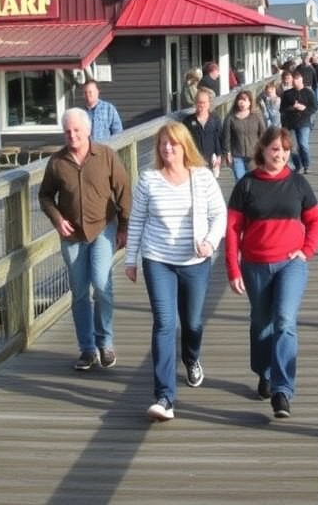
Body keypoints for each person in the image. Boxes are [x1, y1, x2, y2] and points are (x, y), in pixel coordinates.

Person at [125, 122, 227, 422]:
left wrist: (210, 241)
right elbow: (137, 221)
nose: (167, 149)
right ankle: (164, 396)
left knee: (192, 323)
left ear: (185, 147)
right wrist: (131, 260)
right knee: (164, 323)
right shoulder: (148, 179)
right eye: (163, 144)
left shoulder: (203, 177)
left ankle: (192, 358)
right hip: (158, 259)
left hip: (195, 261)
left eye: (173, 144)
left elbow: (219, 214)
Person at [225, 127, 318, 419]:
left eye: (283, 149)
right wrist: (233, 267)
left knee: (284, 320)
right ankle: (264, 373)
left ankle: (282, 391)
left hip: (290, 263)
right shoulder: (246, 185)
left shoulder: (298, 184)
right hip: (255, 264)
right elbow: (232, 231)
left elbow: (316, 220)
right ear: (263, 151)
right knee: (261, 323)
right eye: (273, 149)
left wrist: (306, 251)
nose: (279, 154)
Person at [38, 108, 132, 371]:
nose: (72, 135)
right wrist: (56, 218)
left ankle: (106, 343)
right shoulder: (57, 163)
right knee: (79, 291)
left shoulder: (106, 156)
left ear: (88, 130)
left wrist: (124, 226)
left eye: (77, 130)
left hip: (103, 229)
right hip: (72, 235)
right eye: (67, 131)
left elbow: (123, 190)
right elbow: (45, 196)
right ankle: (87, 349)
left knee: (101, 285)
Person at [222, 89, 266, 181]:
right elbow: (226, 137)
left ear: (250, 102)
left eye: (244, 100)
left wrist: (263, 150)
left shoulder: (256, 115)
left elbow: (262, 133)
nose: (242, 103)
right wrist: (228, 152)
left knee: (253, 180)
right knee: (240, 180)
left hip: (253, 155)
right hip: (237, 155)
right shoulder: (230, 118)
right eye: (240, 100)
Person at [280, 70, 316, 173]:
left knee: (303, 144)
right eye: (294, 80)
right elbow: (282, 109)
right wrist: (292, 107)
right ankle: (297, 165)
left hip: (304, 121)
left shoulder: (309, 93)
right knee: (291, 146)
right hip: (290, 123)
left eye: (297, 79)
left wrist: (303, 109)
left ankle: (306, 165)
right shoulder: (287, 94)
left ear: (301, 79)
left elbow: (314, 108)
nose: (295, 82)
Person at [183, 87, 224, 174]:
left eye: (204, 102)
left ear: (209, 103)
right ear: (195, 103)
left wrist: (219, 156)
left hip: (211, 159)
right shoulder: (188, 121)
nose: (201, 105)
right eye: (199, 102)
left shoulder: (215, 119)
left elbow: (219, 138)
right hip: (194, 160)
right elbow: (184, 140)